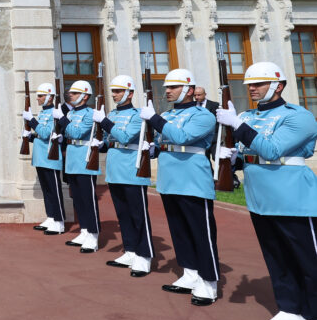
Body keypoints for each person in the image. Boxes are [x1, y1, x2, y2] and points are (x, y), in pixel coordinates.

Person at [215, 61, 317, 320]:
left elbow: (272, 150)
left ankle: (314, 319)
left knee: (308, 261)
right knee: (277, 258)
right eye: (249, 84)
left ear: (278, 85)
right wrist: (231, 155)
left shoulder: (298, 116)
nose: (252, 88)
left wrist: (237, 126)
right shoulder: (247, 115)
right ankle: (289, 310)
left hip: (293, 198)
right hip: (261, 198)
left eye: (259, 83)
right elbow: (250, 153)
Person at [140, 68, 219, 306]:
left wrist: (154, 119)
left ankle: (209, 280)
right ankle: (190, 273)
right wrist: (153, 148)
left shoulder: (203, 115)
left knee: (201, 232)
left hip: (193, 179)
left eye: (173, 87)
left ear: (189, 90)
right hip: (170, 178)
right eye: (166, 87)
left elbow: (183, 137)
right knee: (179, 230)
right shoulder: (167, 114)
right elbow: (165, 140)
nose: (168, 91)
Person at [93, 74, 153, 277]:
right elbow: (112, 140)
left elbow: (125, 136)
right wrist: (101, 144)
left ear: (130, 93)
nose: (115, 95)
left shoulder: (138, 115)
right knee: (123, 215)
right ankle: (130, 250)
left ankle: (144, 255)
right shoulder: (112, 113)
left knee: (138, 214)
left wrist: (104, 122)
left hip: (132, 169)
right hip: (115, 169)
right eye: (114, 91)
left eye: (118, 91)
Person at [59, 80, 101, 253]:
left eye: (75, 93)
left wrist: (61, 119)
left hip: (84, 160)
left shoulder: (90, 114)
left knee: (88, 199)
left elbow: (75, 132)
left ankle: (93, 233)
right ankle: (84, 230)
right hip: (72, 160)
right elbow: (66, 133)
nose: (71, 96)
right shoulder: (71, 114)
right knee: (77, 198)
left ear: (85, 96)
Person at [22, 82, 65, 235]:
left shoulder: (54, 112)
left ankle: (59, 221)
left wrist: (32, 121)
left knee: (54, 190)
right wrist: (31, 136)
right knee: (46, 190)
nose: (38, 99)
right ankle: (51, 216)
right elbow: (42, 135)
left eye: (40, 96)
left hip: (50, 158)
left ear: (50, 97)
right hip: (41, 156)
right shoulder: (43, 113)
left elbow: (46, 133)